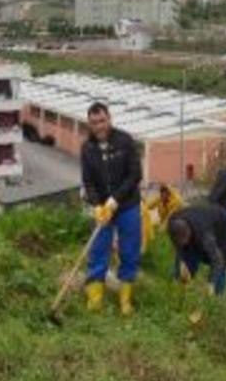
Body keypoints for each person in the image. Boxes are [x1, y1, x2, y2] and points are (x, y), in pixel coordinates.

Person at [81, 102, 143, 316]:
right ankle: (95, 296)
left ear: (109, 119)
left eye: (102, 121)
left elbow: (135, 174)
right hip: (102, 210)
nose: (99, 126)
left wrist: (115, 200)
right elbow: (88, 182)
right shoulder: (87, 149)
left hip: (127, 205)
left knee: (129, 250)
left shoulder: (125, 141)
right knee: (99, 248)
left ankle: (125, 299)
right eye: (94, 123)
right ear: (89, 124)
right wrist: (97, 205)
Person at [168, 204, 226, 296]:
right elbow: (179, 247)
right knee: (186, 258)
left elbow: (217, 260)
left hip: (224, 227)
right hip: (202, 218)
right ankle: (179, 290)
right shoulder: (172, 222)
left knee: (223, 260)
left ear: (189, 232)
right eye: (181, 241)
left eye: (185, 240)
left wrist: (211, 283)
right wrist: (181, 263)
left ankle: (217, 296)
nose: (183, 243)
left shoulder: (205, 235)